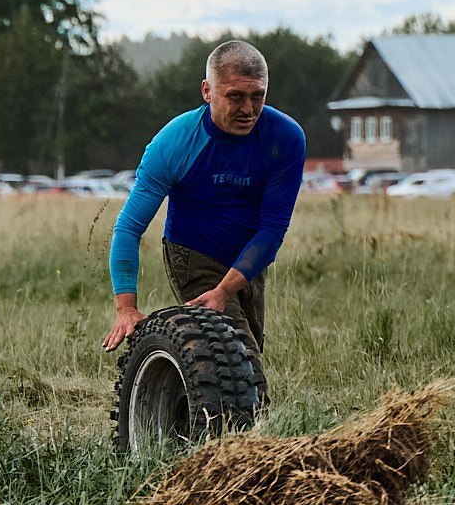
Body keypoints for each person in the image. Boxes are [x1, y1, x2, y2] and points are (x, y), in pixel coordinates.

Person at [99, 39, 306, 355]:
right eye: (235, 97)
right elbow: (129, 228)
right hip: (192, 252)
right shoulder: (173, 144)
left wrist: (225, 290)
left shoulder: (287, 138)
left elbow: (273, 228)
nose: (248, 109)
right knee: (236, 354)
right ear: (207, 91)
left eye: (257, 96)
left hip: (249, 255)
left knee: (243, 356)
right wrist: (126, 307)